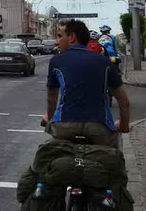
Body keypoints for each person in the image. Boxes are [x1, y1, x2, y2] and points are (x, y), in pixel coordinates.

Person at [44, 19, 130, 148]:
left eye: (60, 36)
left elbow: (52, 98)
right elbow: (123, 101)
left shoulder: (56, 60)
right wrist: (123, 125)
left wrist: (49, 119)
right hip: (99, 126)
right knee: (112, 154)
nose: (56, 41)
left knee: (52, 153)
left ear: (72, 37)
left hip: (65, 125)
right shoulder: (104, 61)